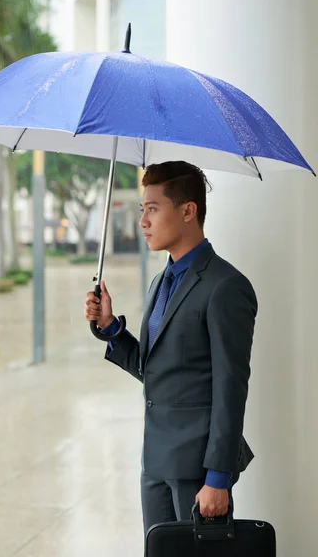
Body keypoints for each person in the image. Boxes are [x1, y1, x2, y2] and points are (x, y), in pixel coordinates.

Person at [84, 160, 257, 538]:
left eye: (152, 208)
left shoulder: (226, 286)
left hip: (198, 470)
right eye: (142, 209)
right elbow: (157, 367)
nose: (142, 221)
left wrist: (218, 477)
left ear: (187, 211)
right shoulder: (162, 282)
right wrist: (111, 328)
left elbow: (231, 388)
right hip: (155, 466)